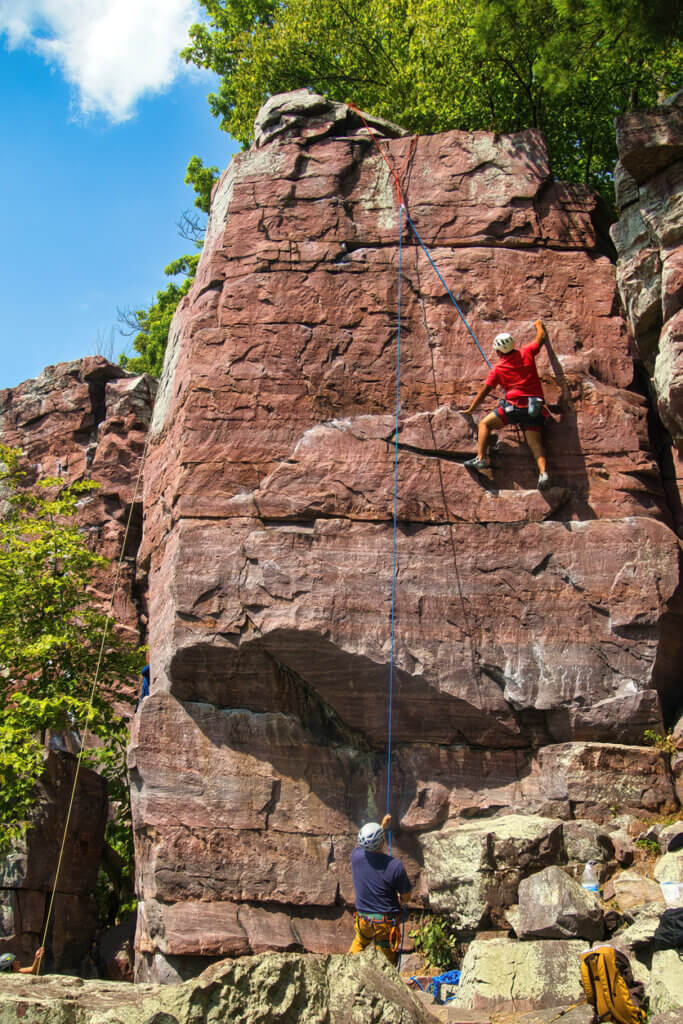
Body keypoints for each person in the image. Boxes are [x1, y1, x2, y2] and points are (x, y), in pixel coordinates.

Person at [463, 319, 551, 490]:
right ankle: (544, 472)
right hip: (534, 408)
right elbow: (541, 338)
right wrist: (538, 325)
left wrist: (472, 408)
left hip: (514, 408)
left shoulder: (498, 369)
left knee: (485, 424)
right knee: (535, 443)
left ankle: (481, 459)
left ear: (497, 351)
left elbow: (484, 391)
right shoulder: (526, 352)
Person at [349, 813, 411, 965]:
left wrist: (382, 827)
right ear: (382, 842)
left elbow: (364, 845)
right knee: (385, 964)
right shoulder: (394, 866)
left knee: (358, 945)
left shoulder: (355, 857)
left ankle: (347, 969)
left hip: (363, 920)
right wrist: (401, 899)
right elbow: (406, 897)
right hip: (384, 923)